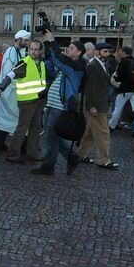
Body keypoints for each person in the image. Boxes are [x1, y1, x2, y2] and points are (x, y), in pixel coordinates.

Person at [32, 34, 86, 176]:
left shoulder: (76, 66)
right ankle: (72, 157)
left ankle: (48, 166)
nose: (68, 49)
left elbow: (57, 60)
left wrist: (51, 41)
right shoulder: (71, 63)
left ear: (79, 52)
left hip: (59, 106)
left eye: (72, 48)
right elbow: (55, 59)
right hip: (52, 103)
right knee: (54, 135)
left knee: (50, 136)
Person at [2, 39, 46, 164]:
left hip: (38, 99)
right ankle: (12, 154)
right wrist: (1, 87)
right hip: (27, 101)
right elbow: (11, 75)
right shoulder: (24, 63)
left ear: (40, 51)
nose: (33, 51)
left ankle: (32, 153)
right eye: (31, 49)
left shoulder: (41, 63)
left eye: (36, 49)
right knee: (22, 128)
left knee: (35, 127)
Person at [77, 42, 118, 169]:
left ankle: (81, 154)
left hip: (100, 104)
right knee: (103, 133)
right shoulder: (93, 66)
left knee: (89, 132)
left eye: (108, 52)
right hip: (97, 105)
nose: (107, 54)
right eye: (105, 51)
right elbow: (90, 88)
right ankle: (103, 159)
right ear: (97, 52)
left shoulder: (101, 65)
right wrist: (92, 106)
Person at [0, 30, 30, 150]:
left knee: (9, 119)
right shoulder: (11, 52)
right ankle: (19, 146)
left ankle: (0, 144)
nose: (27, 43)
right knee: (13, 118)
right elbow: (9, 72)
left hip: (12, 91)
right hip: (9, 91)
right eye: (26, 40)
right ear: (19, 40)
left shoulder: (18, 52)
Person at [108, 45, 134, 135]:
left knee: (118, 109)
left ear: (123, 52)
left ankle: (111, 126)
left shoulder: (123, 62)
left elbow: (119, 77)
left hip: (124, 89)